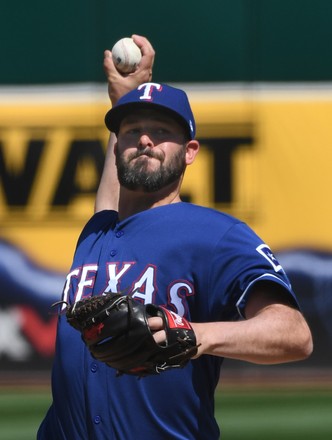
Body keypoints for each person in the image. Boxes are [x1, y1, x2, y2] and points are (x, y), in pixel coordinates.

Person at [38, 35, 313, 440]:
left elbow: (294, 334)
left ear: (189, 151)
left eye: (161, 131)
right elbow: (111, 195)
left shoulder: (217, 234)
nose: (144, 140)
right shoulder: (96, 231)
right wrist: (124, 97)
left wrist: (196, 335)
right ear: (116, 148)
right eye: (131, 131)